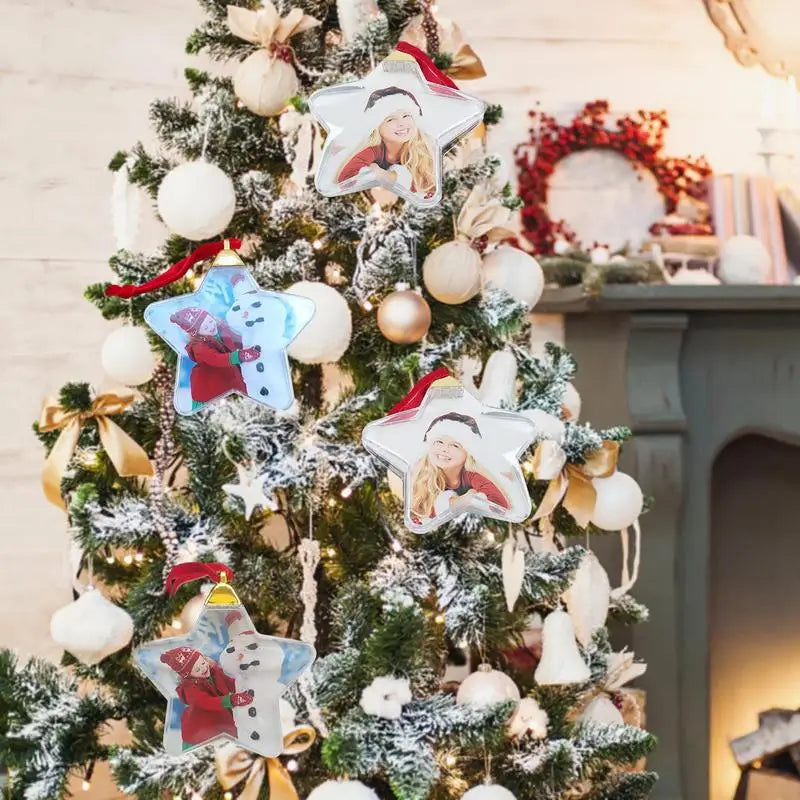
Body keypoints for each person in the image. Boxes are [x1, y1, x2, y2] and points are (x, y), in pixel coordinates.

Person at [409, 412, 510, 523]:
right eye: (439, 441)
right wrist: (456, 501)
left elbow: (500, 505)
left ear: (468, 453)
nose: (444, 449)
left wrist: (475, 499)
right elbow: (421, 510)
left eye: (455, 445)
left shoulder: (472, 475)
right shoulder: (423, 474)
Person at [336, 86, 435, 197]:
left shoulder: (421, 150)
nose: (401, 123)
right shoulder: (373, 150)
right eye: (390, 119)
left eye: (406, 115)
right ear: (377, 127)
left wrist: (387, 176)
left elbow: (426, 190)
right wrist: (371, 174)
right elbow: (345, 180)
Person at [159, 646, 253, 749]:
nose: (204, 668)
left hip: (220, 720)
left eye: (203, 663)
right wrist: (231, 700)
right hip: (199, 732)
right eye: (198, 669)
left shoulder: (214, 672)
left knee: (230, 741)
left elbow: (228, 682)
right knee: (219, 748)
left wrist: (242, 685)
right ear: (187, 675)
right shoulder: (190, 689)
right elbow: (206, 702)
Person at [169, 306, 260, 409]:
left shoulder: (221, 329)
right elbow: (216, 359)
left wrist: (249, 340)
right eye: (205, 328)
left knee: (242, 395)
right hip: (210, 384)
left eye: (210, 321)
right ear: (197, 333)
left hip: (231, 372)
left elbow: (236, 339)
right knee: (221, 407)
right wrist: (240, 356)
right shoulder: (199, 348)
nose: (211, 326)